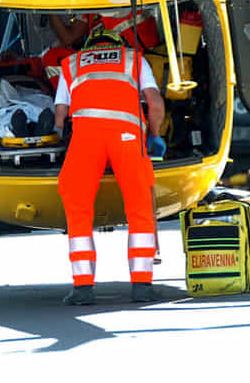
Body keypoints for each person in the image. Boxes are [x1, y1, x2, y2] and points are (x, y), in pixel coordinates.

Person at [54, 28, 166, 305]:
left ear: (89, 46)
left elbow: (59, 116)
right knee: (139, 206)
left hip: (85, 138)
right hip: (127, 137)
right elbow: (154, 103)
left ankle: (82, 288)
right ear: (118, 45)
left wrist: (62, 137)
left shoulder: (71, 63)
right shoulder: (135, 59)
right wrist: (155, 135)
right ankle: (142, 285)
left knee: (77, 207)